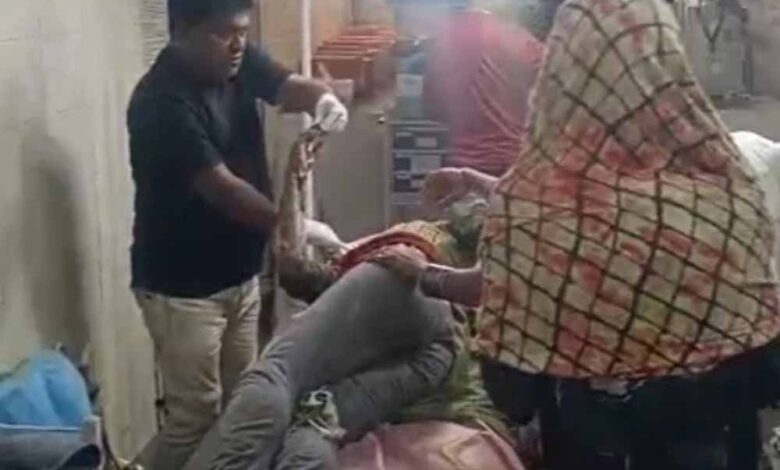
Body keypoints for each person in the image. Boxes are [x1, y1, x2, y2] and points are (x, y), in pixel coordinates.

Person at [375, 0, 780, 468]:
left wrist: (426, 275)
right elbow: (761, 353)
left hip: (591, 441)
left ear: (563, 76)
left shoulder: (541, 207)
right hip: (714, 443)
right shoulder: (730, 191)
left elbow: (505, 340)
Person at [180, 134, 524, 470]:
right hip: (440, 354)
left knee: (281, 373)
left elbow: (292, 267)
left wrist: (294, 180)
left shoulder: (411, 245)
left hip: (413, 284)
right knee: (320, 415)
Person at [126, 0, 348, 467]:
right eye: (224, 33)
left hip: (239, 276)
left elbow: (290, 87)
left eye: (243, 32)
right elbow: (224, 190)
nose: (238, 44)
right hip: (183, 291)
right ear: (182, 31)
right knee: (194, 419)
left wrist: (323, 101)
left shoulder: (236, 60)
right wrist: (295, 226)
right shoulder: (160, 103)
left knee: (241, 406)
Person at [423, 0, 544, 176]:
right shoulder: (526, 44)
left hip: (460, 168)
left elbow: (432, 108)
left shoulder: (443, 38)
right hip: (513, 166)